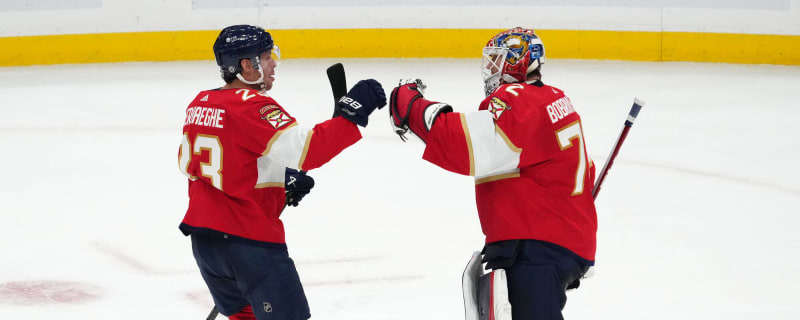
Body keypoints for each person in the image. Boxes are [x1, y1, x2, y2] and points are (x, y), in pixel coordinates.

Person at [178, 25, 385, 320]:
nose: (274, 63)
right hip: (249, 246)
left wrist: (279, 177)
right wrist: (351, 114)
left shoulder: (200, 104)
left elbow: (212, 168)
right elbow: (310, 150)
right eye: (266, 57)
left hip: (206, 244)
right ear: (246, 66)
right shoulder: (253, 106)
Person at [389, 27, 596, 319]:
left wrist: (409, 106)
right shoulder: (555, 98)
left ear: (520, 62)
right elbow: (586, 171)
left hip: (536, 248)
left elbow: (465, 144)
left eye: (498, 60)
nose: (491, 69)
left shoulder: (518, 99)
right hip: (559, 241)